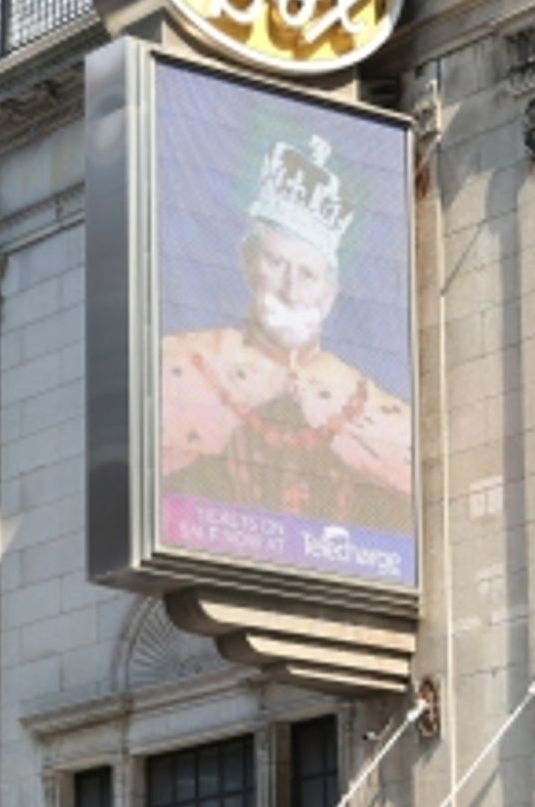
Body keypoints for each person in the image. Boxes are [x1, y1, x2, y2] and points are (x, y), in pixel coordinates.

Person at [161, 132, 412, 537]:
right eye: (277, 263)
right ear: (248, 260)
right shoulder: (176, 364)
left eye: (308, 274)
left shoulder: (373, 405)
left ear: (329, 295)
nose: (291, 289)